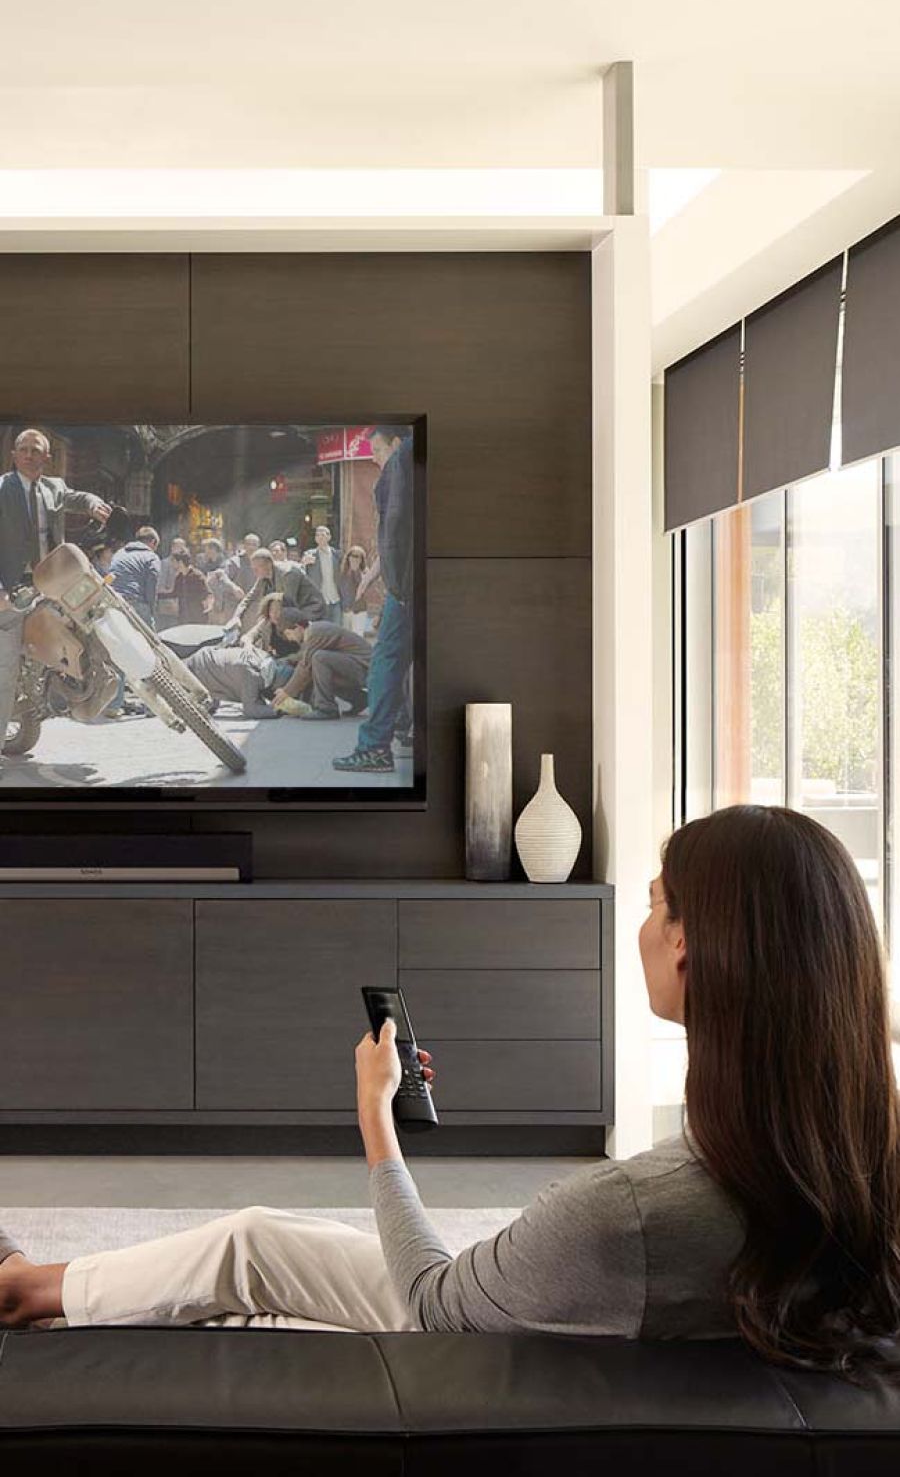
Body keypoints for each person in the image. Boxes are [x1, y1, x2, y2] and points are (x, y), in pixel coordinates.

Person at [5, 805, 900, 1384]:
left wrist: (376, 1124)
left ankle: (21, 1294)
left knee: (252, 1270)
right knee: (266, 1244)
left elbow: (433, 1300)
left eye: (657, 903)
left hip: (478, 1337)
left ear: (689, 949)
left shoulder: (621, 1213)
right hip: (570, 1311)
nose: (643, 921)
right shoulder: (856, 1168)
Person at [0, 428, 112, 772]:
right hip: (12, 591)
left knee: (98, 619)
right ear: (15, 455)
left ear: (48, 457)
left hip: (52, 584)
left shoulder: (54, 487)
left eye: (38, 450)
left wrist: (93, 503)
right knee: (5, 670)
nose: (31, 455)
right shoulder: (2, 488)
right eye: (25, 449)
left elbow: (76, 497)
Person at [334, 427, 413, 774]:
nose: (374, 458)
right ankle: (402, 728)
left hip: (407, 589)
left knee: (386, 659)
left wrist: (397, 586)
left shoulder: (401, 458)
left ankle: (374, 747)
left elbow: (394, 528)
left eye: (378, 449)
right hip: (408, 584)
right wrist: (372, 575)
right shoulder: (408, 460)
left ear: (395, 442)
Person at [271, 607, 370, 719]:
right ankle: (360, 699)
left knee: (319, 658)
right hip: (359, 668)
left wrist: (286, 692)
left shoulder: (316, 632)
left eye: (289, 634)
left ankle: (326, 708)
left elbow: (305, 667)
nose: (290, 639)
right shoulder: (314, 632)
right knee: (321, 667)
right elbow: (303, 658)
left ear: (298, 627)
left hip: (366, 669)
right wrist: (285, 660)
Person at [223, 548, 325, 641]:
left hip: (311, 609)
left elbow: (286, 606)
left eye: (256, 569)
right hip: (293, 609)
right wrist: (236, 617)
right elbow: (249, 598)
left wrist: (253, 633)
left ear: (268, 564)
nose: (254, 572)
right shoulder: (263, 576)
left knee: (285, 628)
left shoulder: (288, 574)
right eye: (253, 568)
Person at [184, 642, 280, 720]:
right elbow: (251, 710)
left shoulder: (263, 657)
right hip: (199, 671)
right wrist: (278, 710)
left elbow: (254, 698)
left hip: (204, 660)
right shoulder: (253, 675)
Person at [107, 526, 161, 626]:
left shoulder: (119, 553)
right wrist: (152, 611)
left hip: (113, 601)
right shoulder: (151, 557)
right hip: (134, 602)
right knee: (149, 639)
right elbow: (151, 587)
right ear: (153, 542)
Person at [302, 525, 342, 625]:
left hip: (335, 598)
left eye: (323, 535)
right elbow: (302, 572)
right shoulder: (310, 554)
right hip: (319, 600)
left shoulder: (337, 555)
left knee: (336, 629)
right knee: (321, 630)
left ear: (329, 537)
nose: (320, 537)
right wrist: (303, 563)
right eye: (317, 535)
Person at [158, 551, 211, 625]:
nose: (172, 565)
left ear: (180, 562)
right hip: (183, 617)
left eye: (174, 562)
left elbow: (207, 593)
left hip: (197, 617)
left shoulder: (197, 576)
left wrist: (207, 604)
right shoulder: (179, 577)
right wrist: (158, 595)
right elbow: (174, 593)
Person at [155, 537, 190, 624]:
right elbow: (160, 586)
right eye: (179, 547)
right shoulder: (165, 563)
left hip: (181, 608)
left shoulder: (185, 563)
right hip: (168, 607)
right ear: (172, 548)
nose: (182, 550)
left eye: (183, 547)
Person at [339, 544, 370, 637]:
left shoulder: (365, 572)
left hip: (359, 610)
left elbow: (362, 588)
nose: (354, 558)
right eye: (352, 555)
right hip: (345, 609)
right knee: (346, 637)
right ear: (348, 557)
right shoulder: (342, 571)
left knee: (357, 636)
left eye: (358, 556)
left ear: (362, 559)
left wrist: (355, 570)